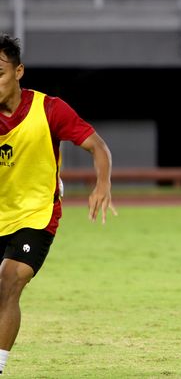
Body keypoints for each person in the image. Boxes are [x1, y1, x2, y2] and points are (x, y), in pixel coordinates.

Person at [0, 34, 116, 374]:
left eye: (0, 71)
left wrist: (103, 183)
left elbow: (98, 147)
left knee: (9, 281)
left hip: (36, 214)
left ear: (19, 71)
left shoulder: (49, 109)